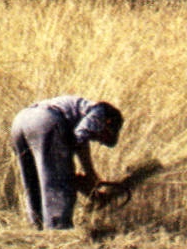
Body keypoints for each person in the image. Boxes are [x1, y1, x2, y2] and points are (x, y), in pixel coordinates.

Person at [10, 96, 124, 230]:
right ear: (108, 122)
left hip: (20, 121)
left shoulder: (81, 111)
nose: (98, 141)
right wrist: (84, 176)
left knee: (33, 181)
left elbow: (81, 141)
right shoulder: (100, 111)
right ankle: (58, 231)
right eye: (103, 136)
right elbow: (80, 136)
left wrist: (87, 174)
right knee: (59, 184)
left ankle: (36, 228)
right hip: (45, 121)